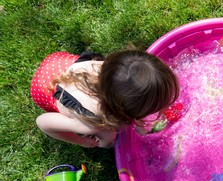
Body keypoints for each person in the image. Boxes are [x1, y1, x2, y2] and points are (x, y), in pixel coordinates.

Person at [31, 49, 180, 148]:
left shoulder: (115, 72)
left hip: (61, 63)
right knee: (108, 139)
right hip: (44, 89)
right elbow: (42, 122)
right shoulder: (92, 121)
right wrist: (83, 141)